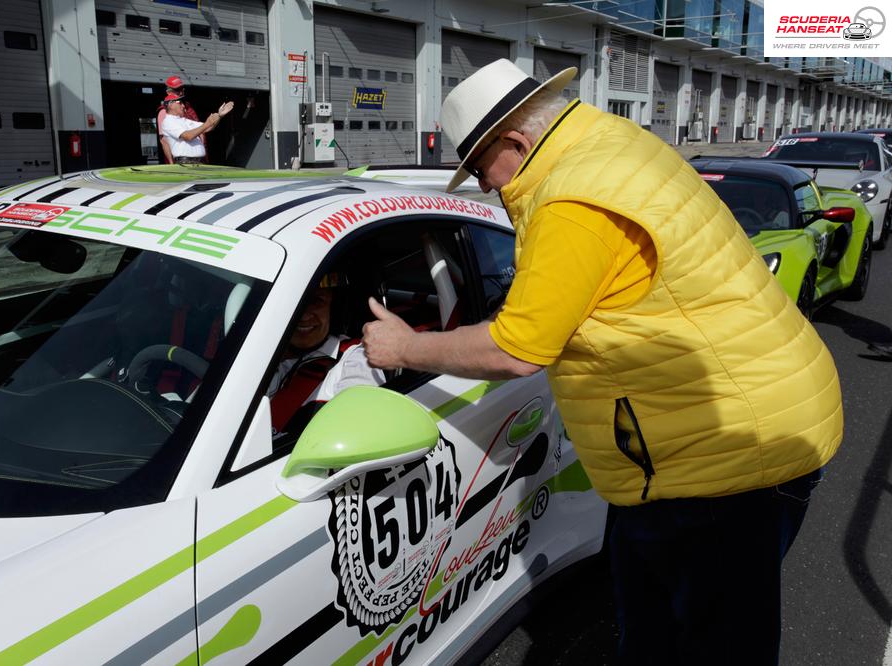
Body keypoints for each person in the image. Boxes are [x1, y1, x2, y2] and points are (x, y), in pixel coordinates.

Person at [360, 59, 842, 665]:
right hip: (746, 426)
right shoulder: (609, 145)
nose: (484, 187)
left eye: (480, 168)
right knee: (662, 631)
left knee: (713, 646)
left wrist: (405, 348)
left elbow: (515, 349)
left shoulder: (570, 199)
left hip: (721, 465)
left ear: (515, 141)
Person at [268, 274, 384, 440]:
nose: (304, 316)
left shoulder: (356, 361)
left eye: (317, 302)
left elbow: (357, 431)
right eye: (296, 303)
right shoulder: (257, 351)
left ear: (334, 308)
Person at [161, 93, 233, 165]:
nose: (183, 106)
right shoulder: (168, 121)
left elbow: (208, 128)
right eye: (180, 103)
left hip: (198, 162)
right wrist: (207, 123)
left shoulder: (184, 120)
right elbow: (187, 136)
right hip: (185, 163)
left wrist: (220, 115)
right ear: (170, 105)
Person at [156, 75, 202, 164]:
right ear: (168, 92)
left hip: (198, 158)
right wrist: (171, 163)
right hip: (181, 162)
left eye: (182, 89)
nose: (180, 92)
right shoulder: (164, 111)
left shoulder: (189, 108)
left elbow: (200, 130)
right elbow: (164, 141)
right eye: (177, 90)